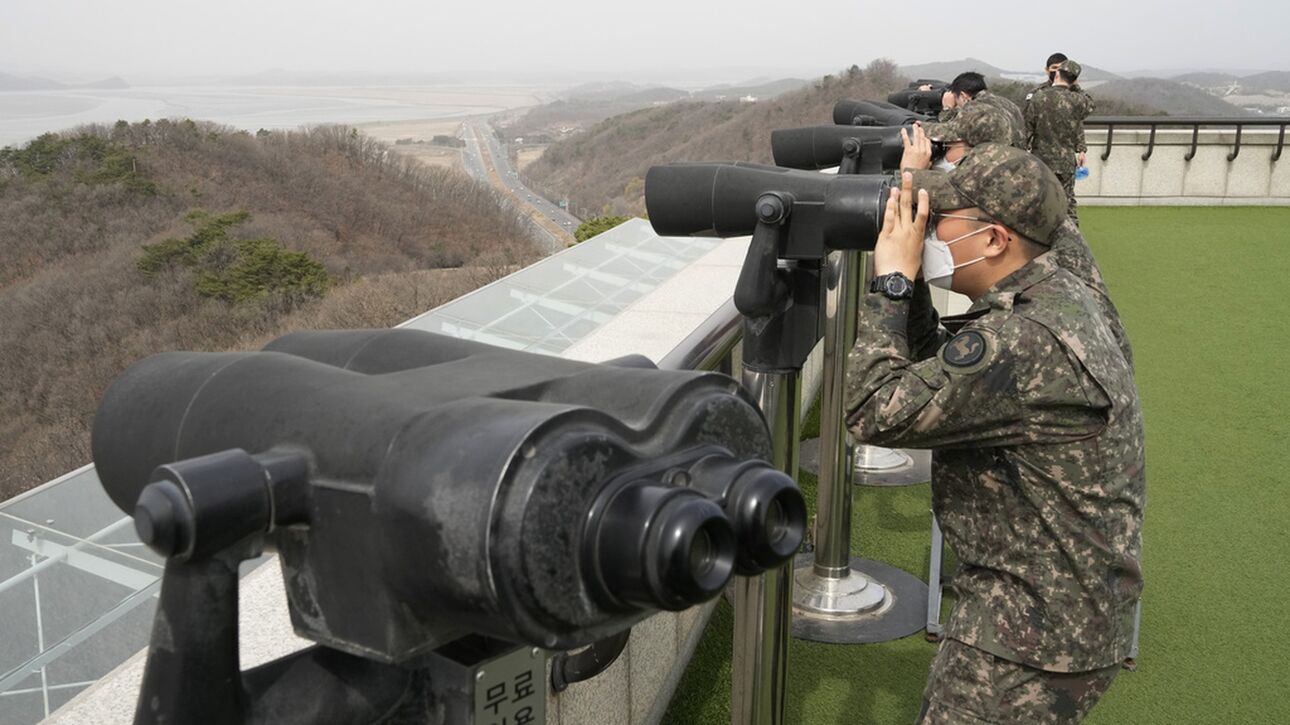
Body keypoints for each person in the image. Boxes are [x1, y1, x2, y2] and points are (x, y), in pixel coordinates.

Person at [845, 144, 1145, 724]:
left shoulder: (1025, 340)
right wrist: (917, 294)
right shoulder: (1061, 292)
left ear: (993, 239)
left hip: (1029, 634)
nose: (924, 228)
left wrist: (893, 284)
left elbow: (873, 410)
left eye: (938, 221)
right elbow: (951, 381)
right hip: (1065, 608)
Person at [1026, 59, 1095, 222]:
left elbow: (1028, 129)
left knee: (1042, 201)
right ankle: (1072, 241)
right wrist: (1075, 85)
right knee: (1067, 202)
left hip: (1042, 159)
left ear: (1056, 74)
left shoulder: (1038, 98)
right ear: (1074, 79)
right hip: (1065, 161)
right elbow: (1088, 106)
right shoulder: (1078, 100)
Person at [934, 71, 1025, 147]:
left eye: (955, 98)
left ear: (963, 96)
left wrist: (947, 108)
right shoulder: (1009, 104)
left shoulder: (976, 107)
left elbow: (950, 132)